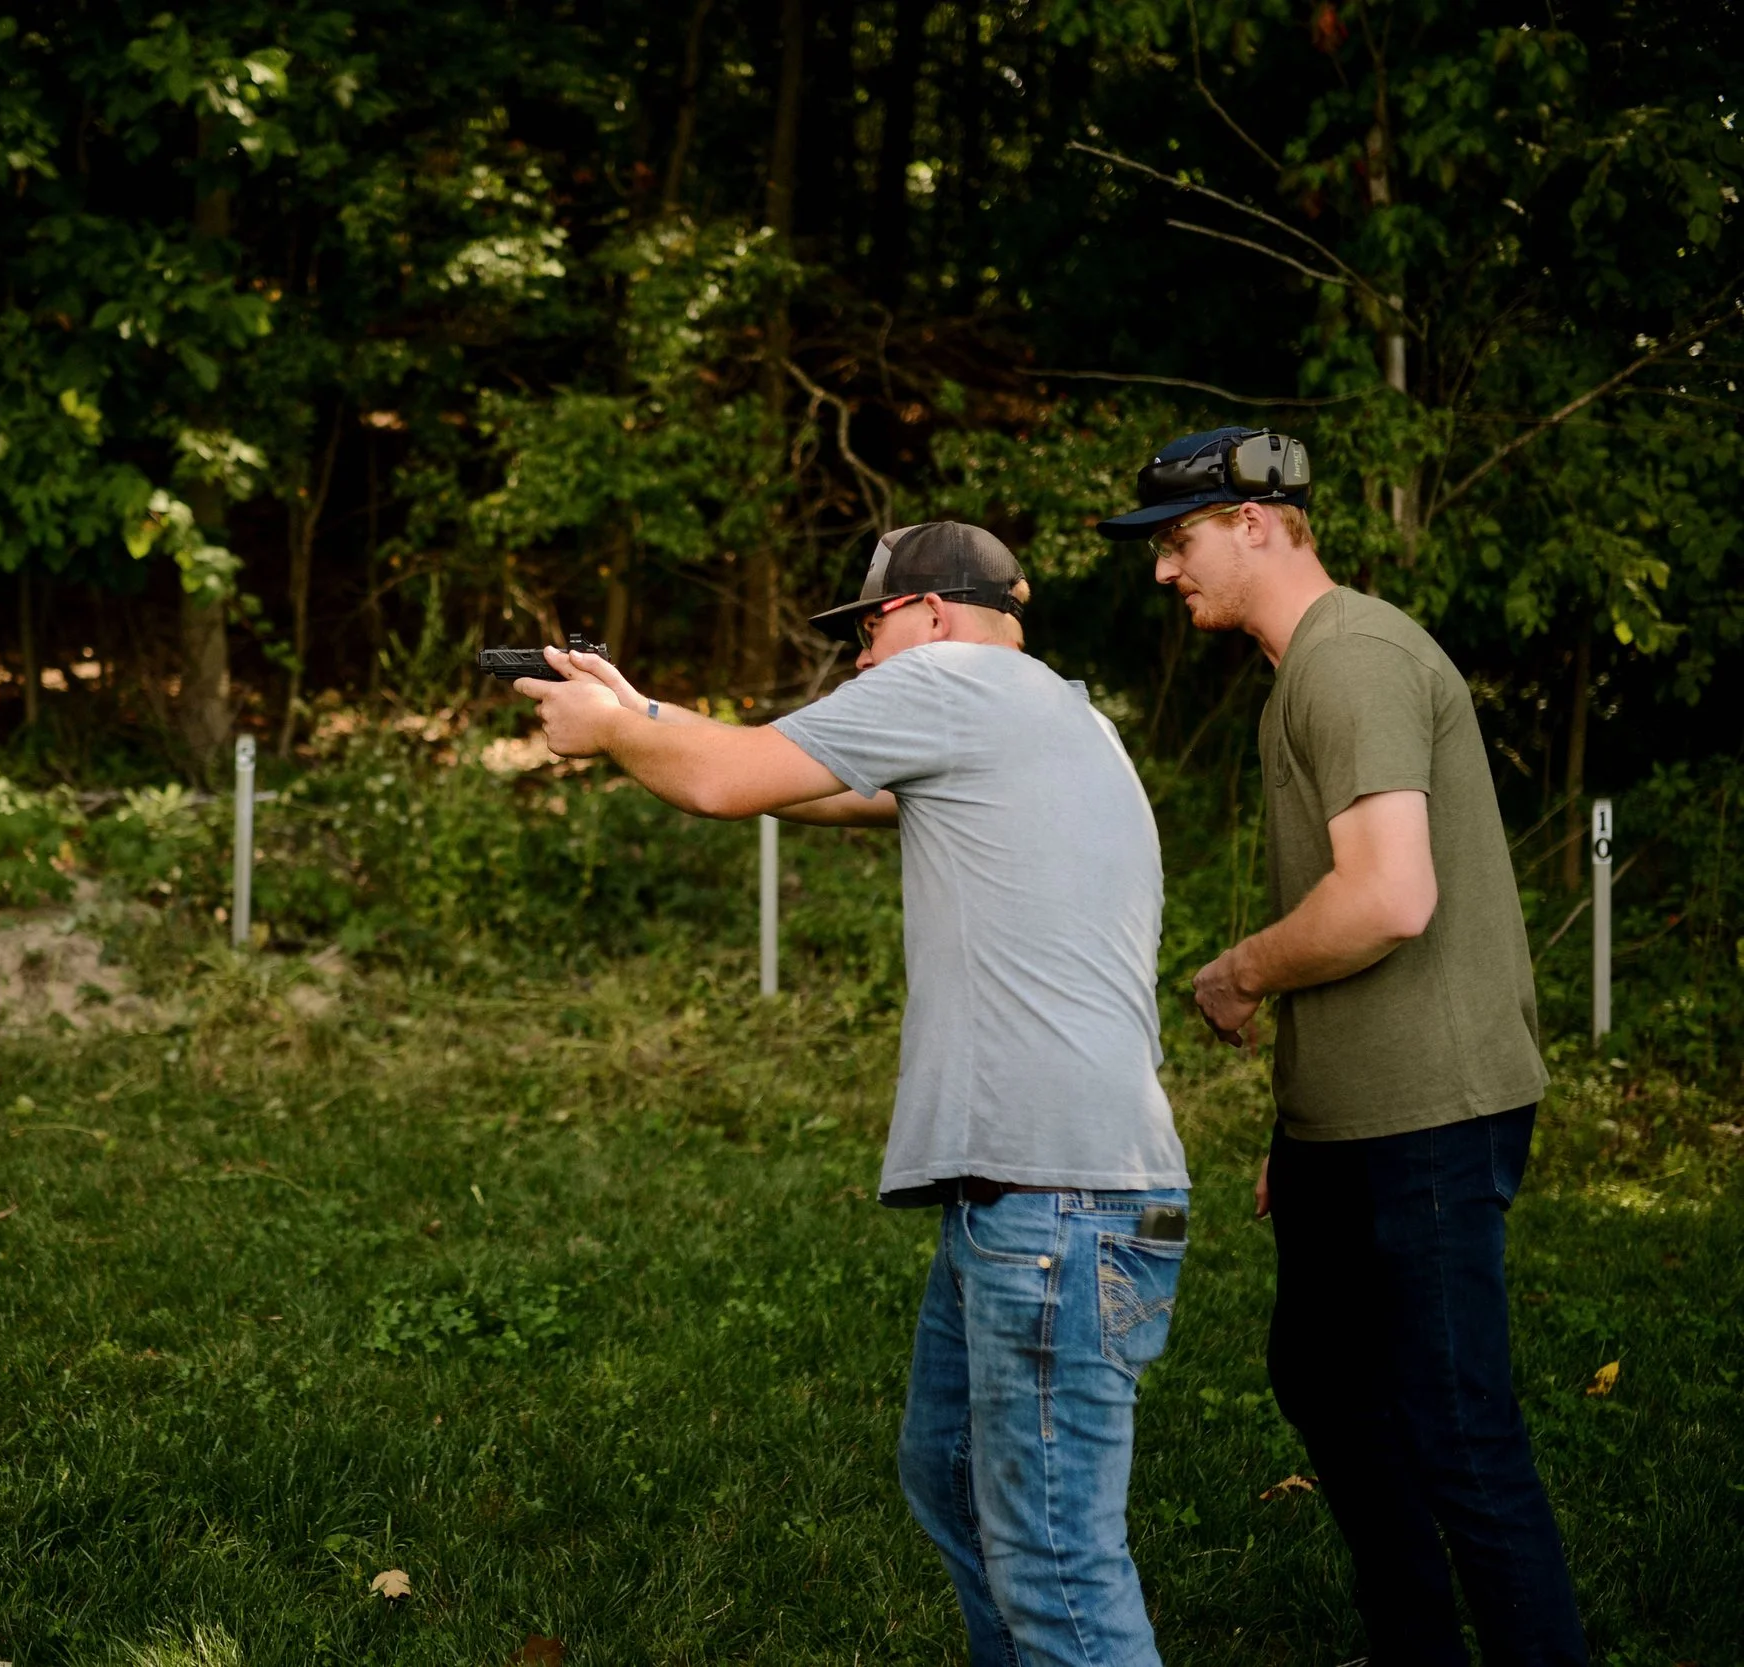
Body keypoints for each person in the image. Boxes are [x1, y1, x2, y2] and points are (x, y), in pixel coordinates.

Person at [515, 522, 1189, 1667]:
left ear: (928, 612)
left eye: (867, 630)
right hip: (1052, 1198)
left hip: (1050, 1208)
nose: (862, 661)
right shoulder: (1049, 713)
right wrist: (639, 714)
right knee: (954, 1470)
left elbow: (729, 783)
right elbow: (803, 782)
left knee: (1059, 1562)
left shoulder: (954, 682)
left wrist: (608, 734)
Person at [1100, 427, 1587, 1665]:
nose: (1164, 572)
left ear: (1256, 521)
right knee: (1322, 1373)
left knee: (1456, 1429)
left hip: (1430, 1110)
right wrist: (1297, 1119)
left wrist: (1236, 970)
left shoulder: (1353, 656)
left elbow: (1386, 899)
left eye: (1179, 540)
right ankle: (1413, 1640)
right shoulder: (1303, 668)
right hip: (1350, 1117)